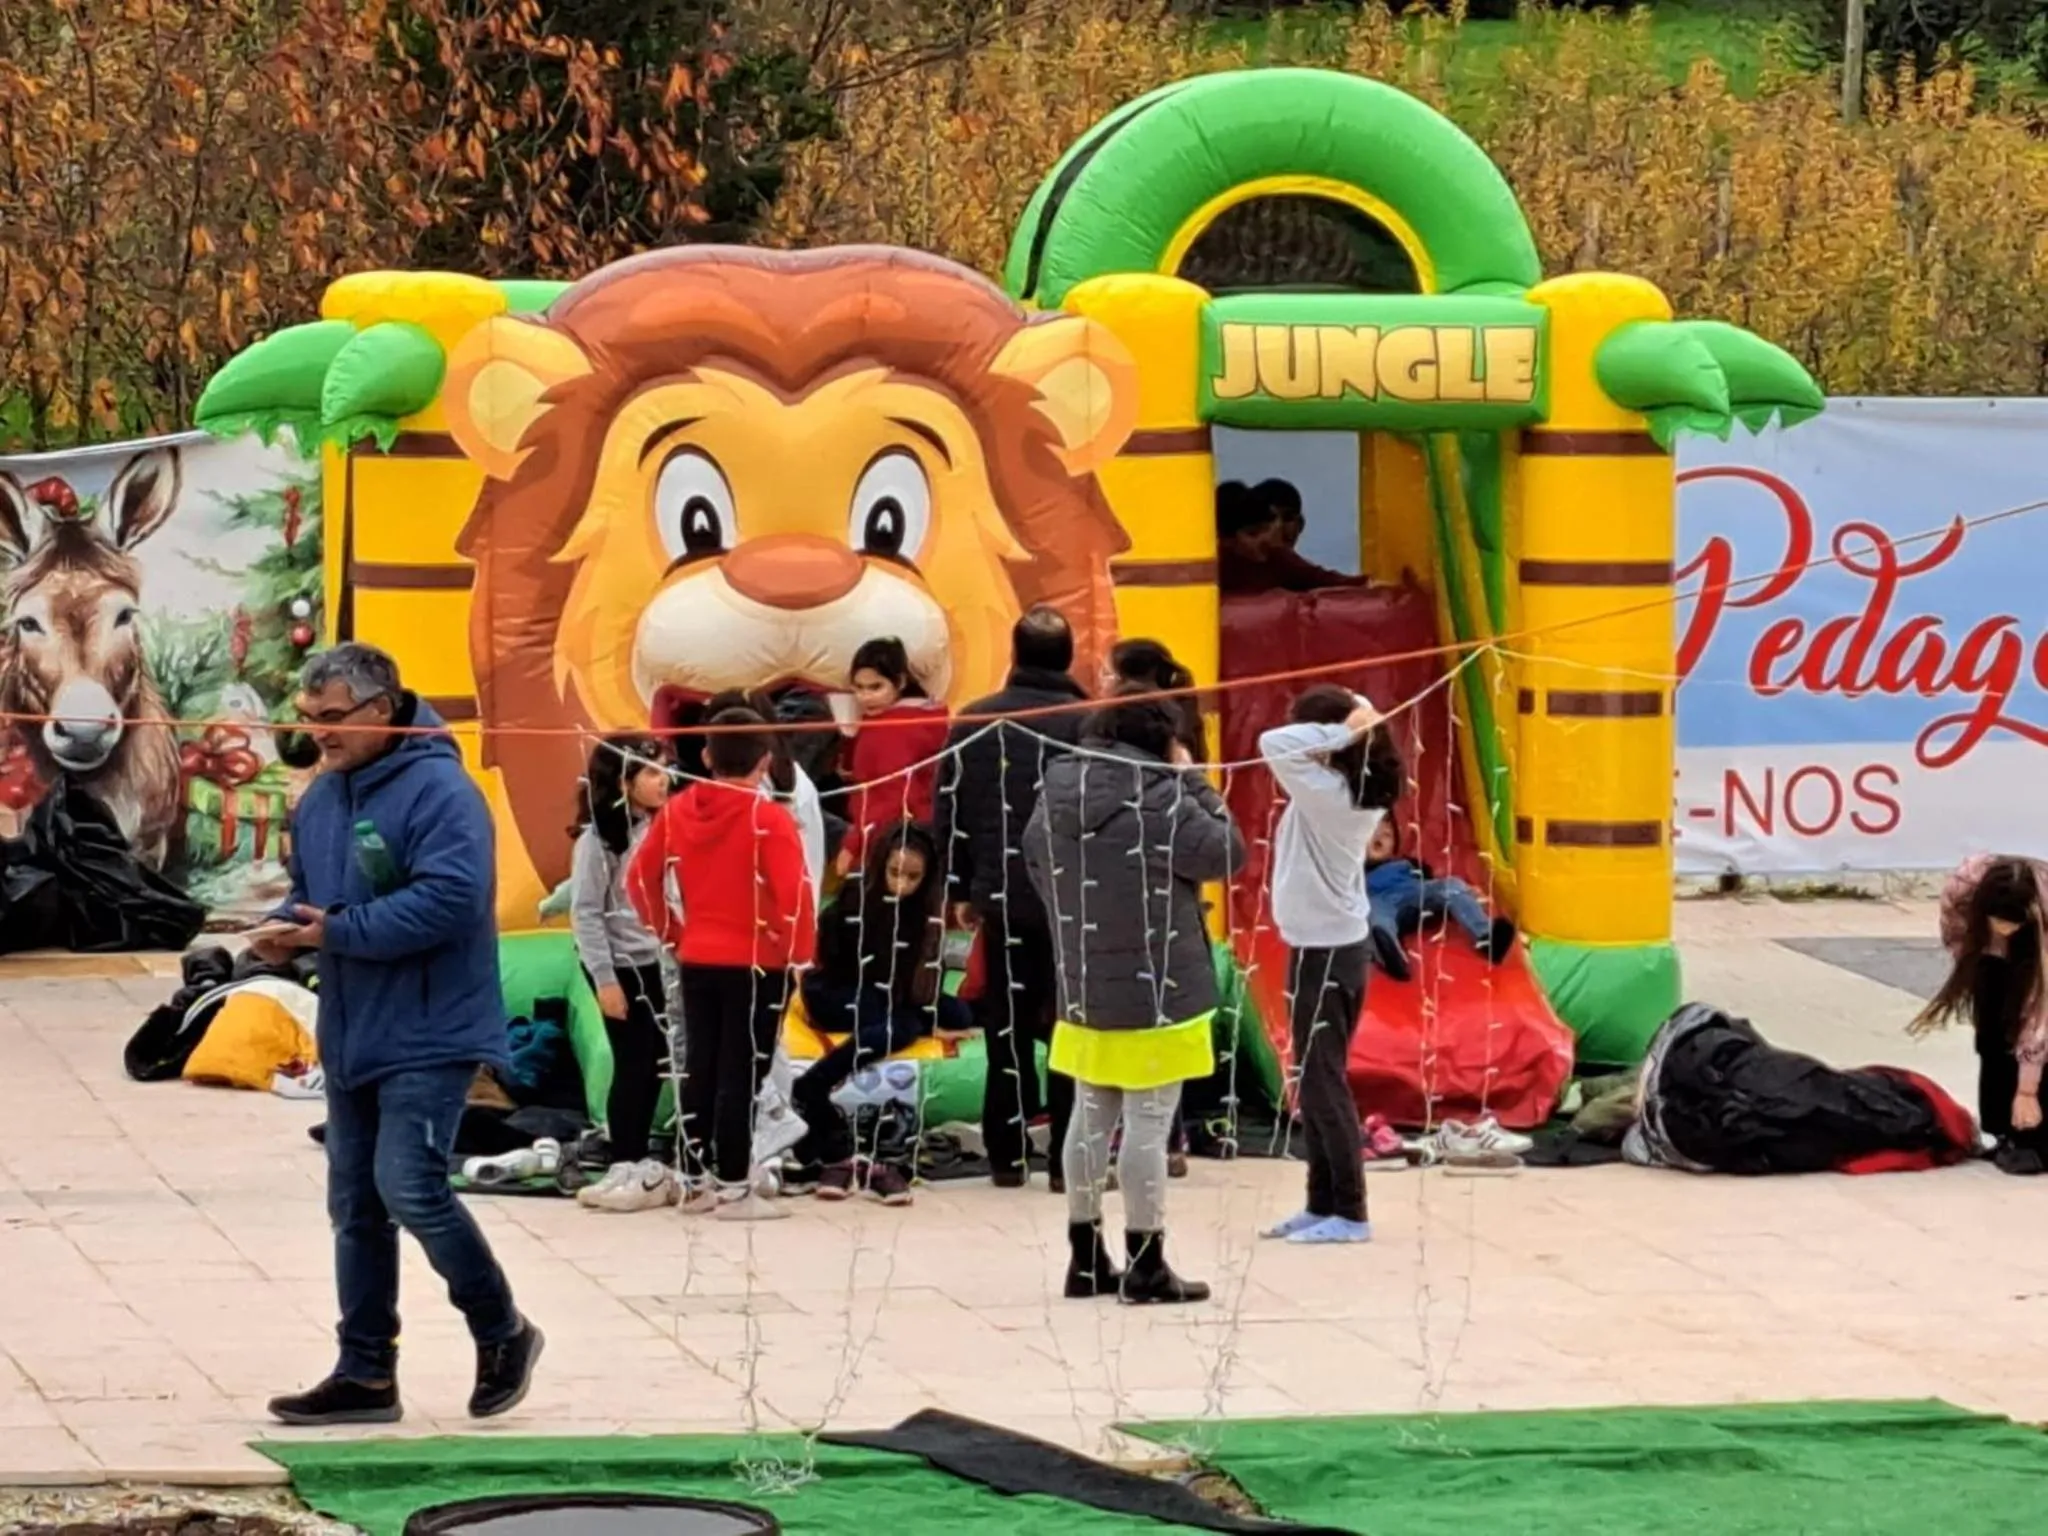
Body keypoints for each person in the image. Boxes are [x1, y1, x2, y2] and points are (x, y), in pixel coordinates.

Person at [257, 643, 541, 1427]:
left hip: (432, 1028)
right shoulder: (322, 799)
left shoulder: (442, 792)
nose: (319, 734)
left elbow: (450, 902)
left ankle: (503, 1329)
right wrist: (282, 931)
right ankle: (365, 1371)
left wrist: (332, 933)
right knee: (354, 1205)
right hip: (352, 1029)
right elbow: (312, 899)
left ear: (383, 710)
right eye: (309, 720)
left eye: (334, 718)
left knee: (409, 1187)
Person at [1026, 689, 1245, 1305]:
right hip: (1160, 981)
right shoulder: (1162, 796)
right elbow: (1228, 853)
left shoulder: (1055, 790)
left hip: (1084, 981)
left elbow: (1037, 865)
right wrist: (1192, 779)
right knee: (1148, 1122)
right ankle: (1147, 1261)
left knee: (1089, 1115)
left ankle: (1085, 1255)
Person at [626, 706, 816, 1220]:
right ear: (766, 760)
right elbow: (794, 894)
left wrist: (671, 932)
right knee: (742, 1073)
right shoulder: (769, 818)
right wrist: (799, 954)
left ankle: (695, 1179)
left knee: (700, 1067)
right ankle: (734, 1186)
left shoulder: (679, 810)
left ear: (706, 756)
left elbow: (638, 879)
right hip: (759, 961)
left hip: (698, 957)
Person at [935, 605, 1093, 1189]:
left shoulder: (973, 722)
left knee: (1004, 1024)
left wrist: (958, 887)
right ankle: (1065, 1161)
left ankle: (1006, 1155)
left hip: (998, 896)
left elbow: (947, 810)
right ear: (1069, 656)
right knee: (1068, 1026)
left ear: (1015, 653)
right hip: (1075, 900)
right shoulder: (1090, 724)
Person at [1257, 684, 1401, 1245]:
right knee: (1310, 1079)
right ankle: (1321, 1203)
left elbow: (1274, 741)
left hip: (1330, 953)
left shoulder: (1336, 796)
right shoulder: (1334, 785)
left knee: (1324, 1081)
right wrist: (1354, 722)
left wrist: (1350, 727)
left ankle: (1351, 1211)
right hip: (1316, 948)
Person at [790, 825, 970, 1204]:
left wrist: (927, 1009)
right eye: (895, 873)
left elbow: (917, 983)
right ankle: (812, 1086)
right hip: (840, 990)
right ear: (880, 866)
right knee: (897, 1023)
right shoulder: (857, 899)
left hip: (889, 995)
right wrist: (922, 1018)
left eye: (912, 877)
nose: (902, 884)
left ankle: (918, 1022)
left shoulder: (926, 911)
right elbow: (848, 968)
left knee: (958, 1012)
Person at [568, 733, 677, 1213]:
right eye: (651, 772)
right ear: (622, 780)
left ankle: (637, 1159)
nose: (664, 780)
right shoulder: (598, 840)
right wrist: (606, 980)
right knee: (632, 1063)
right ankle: (624, 1160)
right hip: (618, 965)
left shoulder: (662, 826)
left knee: (656, 1060)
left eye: (665, 768)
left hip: (658, 961)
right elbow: (585, 913)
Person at [1913, 854, 2048, 1174]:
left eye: (2013, 922)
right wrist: (1976, 965)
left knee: (2034, 1046)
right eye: (2000, 920)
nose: (2006, 929)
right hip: (1985, 952)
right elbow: (1954, 932)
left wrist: (2027, 1090)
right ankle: (2003, 1129)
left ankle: (2034, 1135)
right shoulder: (1964, 888)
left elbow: (2038, 1017)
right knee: (1991, 1039)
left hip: (2039, 957)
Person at [839, 637, 950, 873]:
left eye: (875, 687)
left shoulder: (890, 730)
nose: (865, 697)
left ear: (899, 682)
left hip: (885, 842)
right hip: (923, 835)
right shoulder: (927, 717)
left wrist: (852, 845)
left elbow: (890, 797)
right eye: (858, 688)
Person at [1364, 818, 1517, 982]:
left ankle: (1486, 936)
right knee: (1377, 918)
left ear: (1394, 846)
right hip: (1378, 900)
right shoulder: (1353, 871)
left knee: (1451, 884)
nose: (1379, 838)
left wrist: (1466, 894)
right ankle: (1393, 955)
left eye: (1387, 835)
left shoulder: (1407, 864)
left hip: (1413, 894)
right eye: (1372, 833)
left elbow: (1432, 886)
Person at [1249, 479, 1371, 592]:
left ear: (1300, 525)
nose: (1278, 527)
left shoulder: (1298, 574)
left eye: (1288, 518)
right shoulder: (1235, 568)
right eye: (1268, 519)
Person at [1216, 482, 1286, 595]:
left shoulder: (1279, 558)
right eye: (1253, 534)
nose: (1265, 539)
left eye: (1267, 529)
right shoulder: (1214, 571)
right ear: (1226, 540)